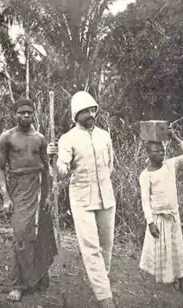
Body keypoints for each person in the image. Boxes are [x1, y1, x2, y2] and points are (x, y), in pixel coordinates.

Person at [47, 91, 116, 308]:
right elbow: (62, 169)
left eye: (92, 110)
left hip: (106, 197)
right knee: (91, 247)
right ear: (76, 114)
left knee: (106, 246)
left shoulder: (104, 135)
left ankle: (100, 281)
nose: (90, 114)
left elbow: (110, 165)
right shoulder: (68, 139)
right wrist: (55, 160)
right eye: (85, 111)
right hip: (82, 201)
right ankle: (105, 297)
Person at [0, 98, 57, 302]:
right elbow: (0, 168)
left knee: (40, 235)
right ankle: (20, 284)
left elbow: (48, 169)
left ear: (34, 113)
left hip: (38, 186)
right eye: (21, 112)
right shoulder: (7, 137)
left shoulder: (40, 138)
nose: (25, 115)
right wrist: (5, 197)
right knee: (21, 235)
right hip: (18, 188)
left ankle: (37, 278)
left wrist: (48, 196)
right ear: (15, 114)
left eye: (29, 112)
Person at [139, 127, 183, 295]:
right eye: (157, 151)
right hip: (158, 218)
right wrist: (150, 223)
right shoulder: (145, 175)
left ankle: (182, 279)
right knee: (164, 250)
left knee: (177, 248)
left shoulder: (170, 164)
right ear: (148, 153)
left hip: (173, 217)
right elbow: (145, 202)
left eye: (163, 150)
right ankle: (170, 279)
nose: (161, 154)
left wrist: (175, 138)